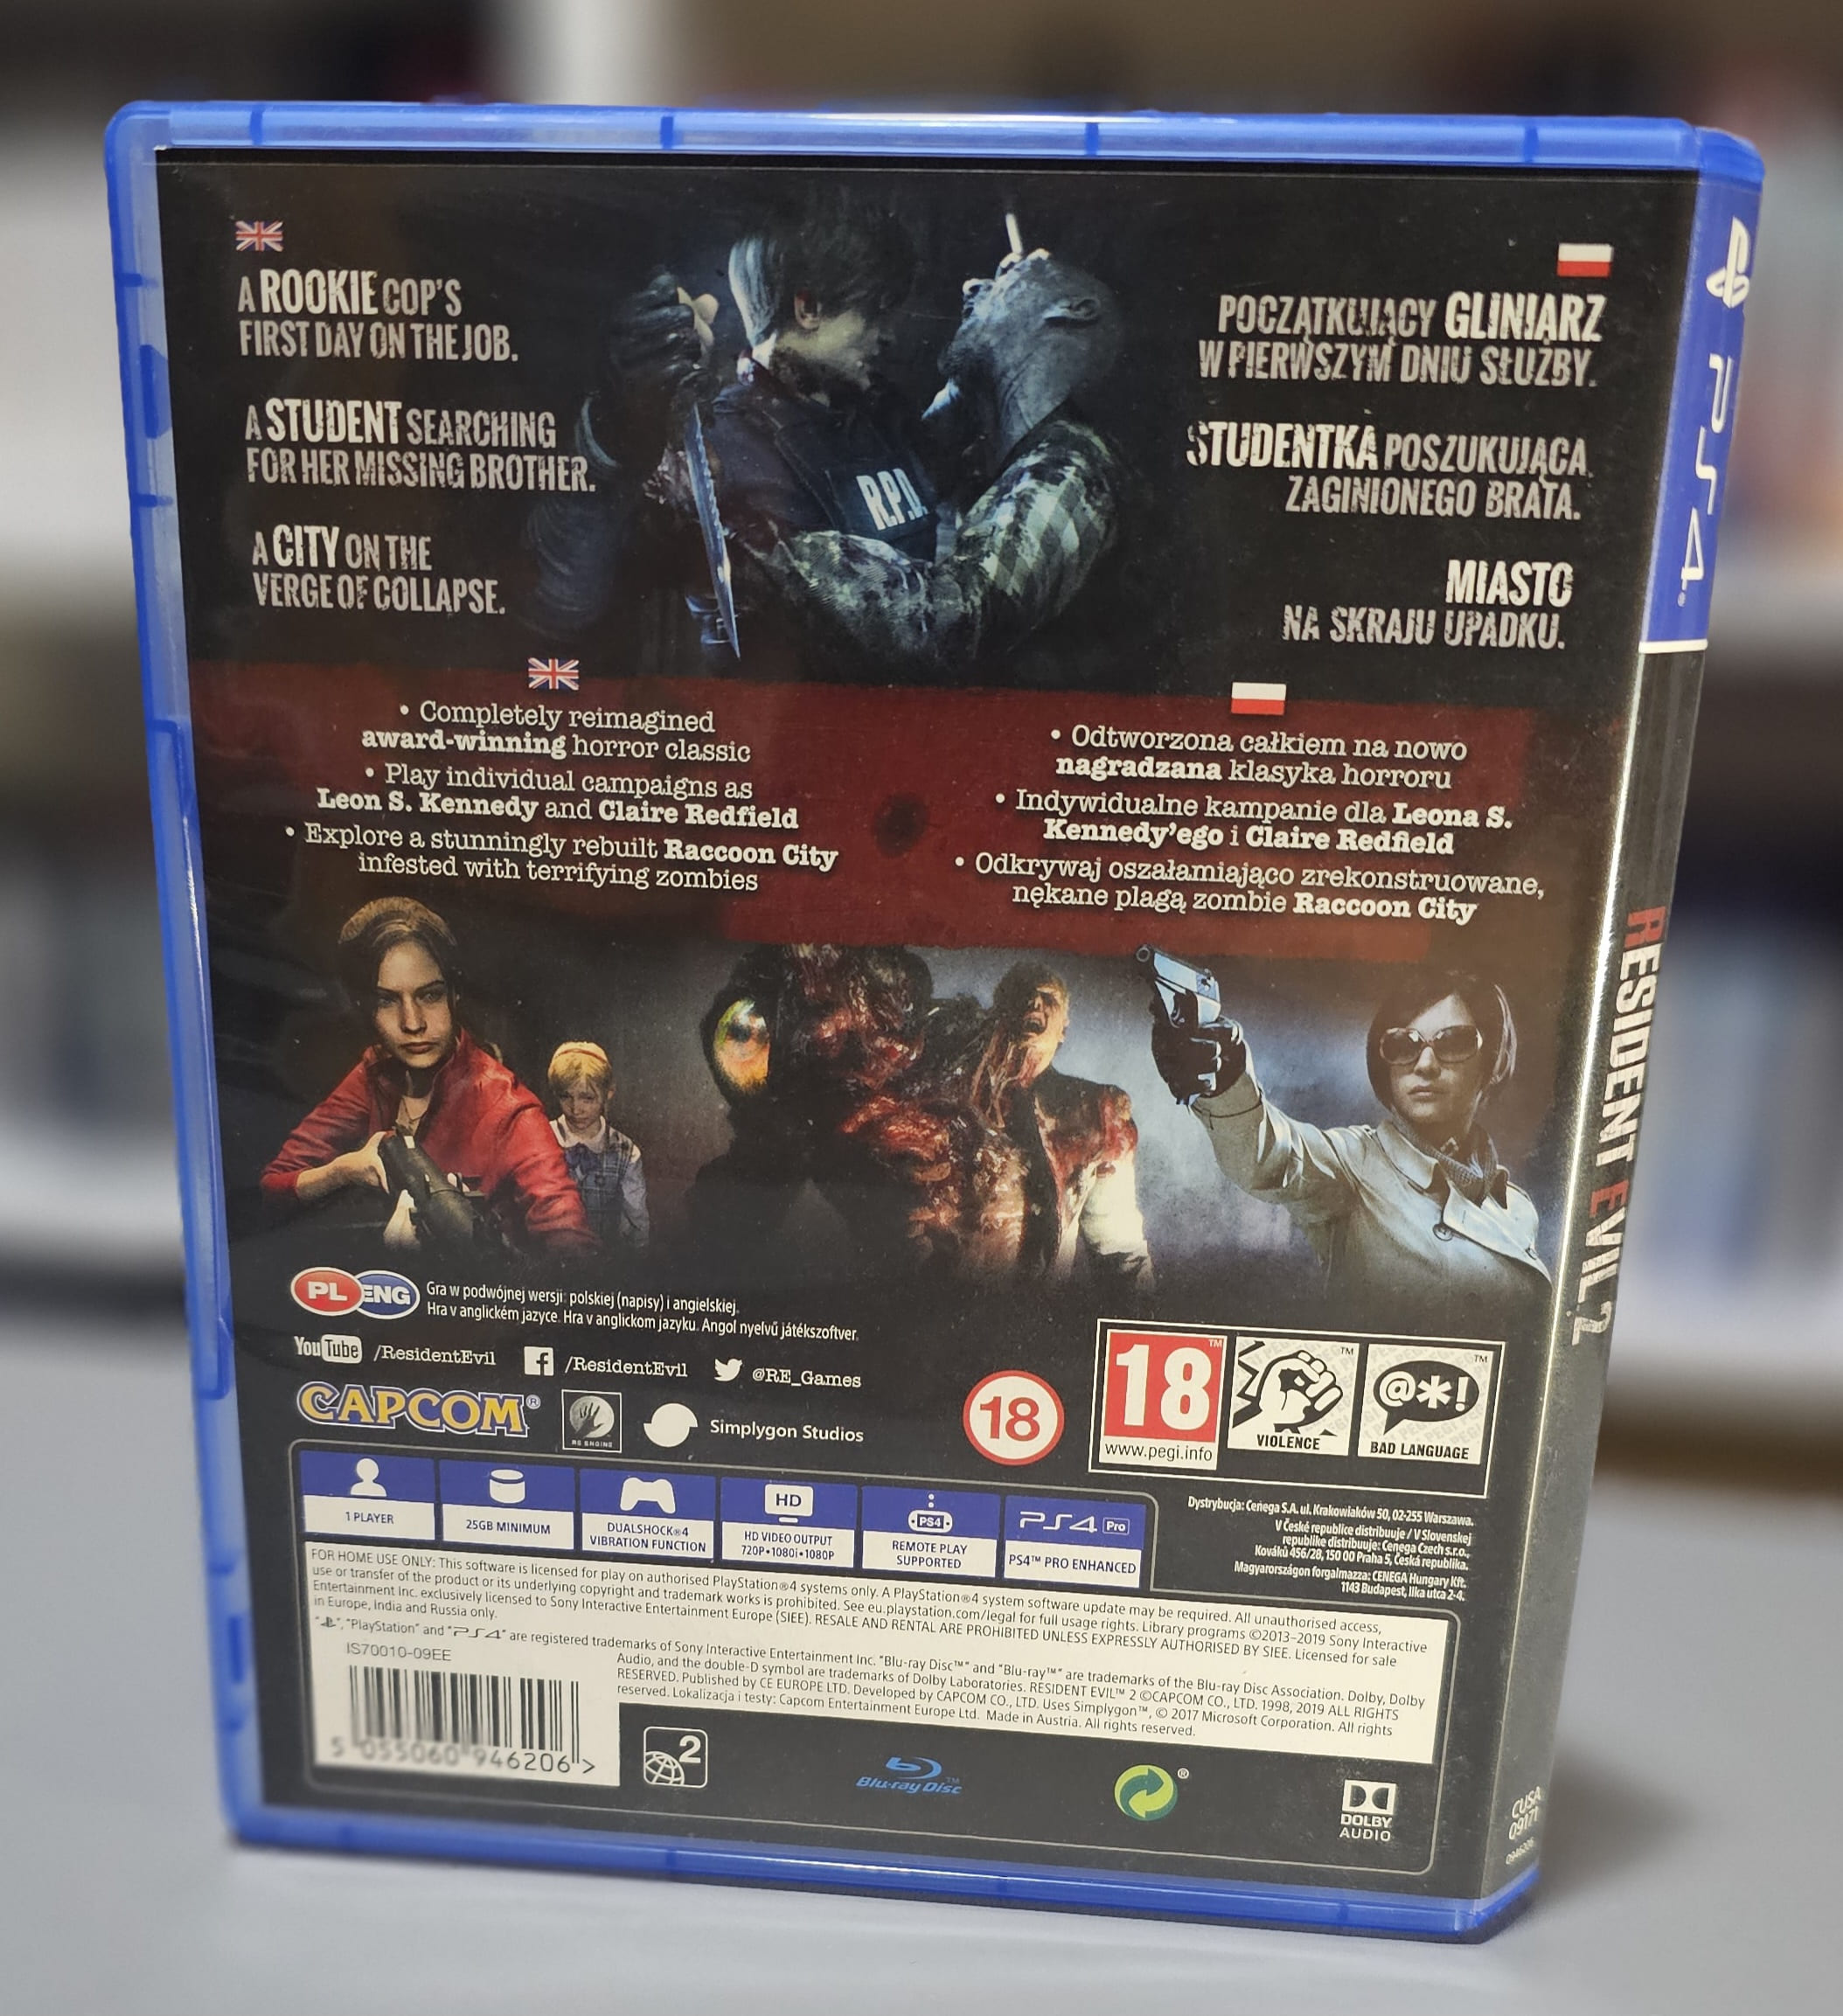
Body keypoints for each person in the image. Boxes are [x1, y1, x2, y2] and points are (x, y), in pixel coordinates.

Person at [526, 191, 1126, 680]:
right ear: (809, 309)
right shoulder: (715, 444)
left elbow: (968, 415)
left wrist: (1014, 313)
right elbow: (562, 601)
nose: (889, 335)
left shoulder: (880, 415)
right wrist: (614, 431)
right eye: (876, 314)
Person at [1150, 968, 1548, 1326]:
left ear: (1493, 1061)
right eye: (1402, 1045)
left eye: (1453, 1042)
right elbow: (1271, 1153)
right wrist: (1226, 1082)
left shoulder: (1518, 1209)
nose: (1425, 1064)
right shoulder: (1355, 1161)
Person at [261, 899, 592, 1257]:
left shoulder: (511, 1111)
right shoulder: (376, 1072)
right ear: (368, 1009)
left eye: (430, 995)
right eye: (387, 1000)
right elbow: (274, 1186)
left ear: (454, 995)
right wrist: (342, 1171)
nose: (413, 1023)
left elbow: (573, 1250)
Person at [963, 962, 1153, 1295]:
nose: (1034, 1002)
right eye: (1020, 994)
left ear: (1064, 1027)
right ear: (998, 1013)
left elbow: (1119, 1247)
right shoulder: (952, 1097)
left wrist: (1140, 1316)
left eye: (1048, 997)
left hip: (1034, 1313)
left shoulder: (1095, 1115)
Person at [546, 1040, 649, 1253]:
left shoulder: (626, 1152)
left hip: (605, 1261)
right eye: (566, 1097)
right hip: (551, 1259)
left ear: (608, 1093)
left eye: (587, 1098)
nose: (576, 1109)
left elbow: (636, 1220)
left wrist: (637, 1259)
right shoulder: (542, 1138)